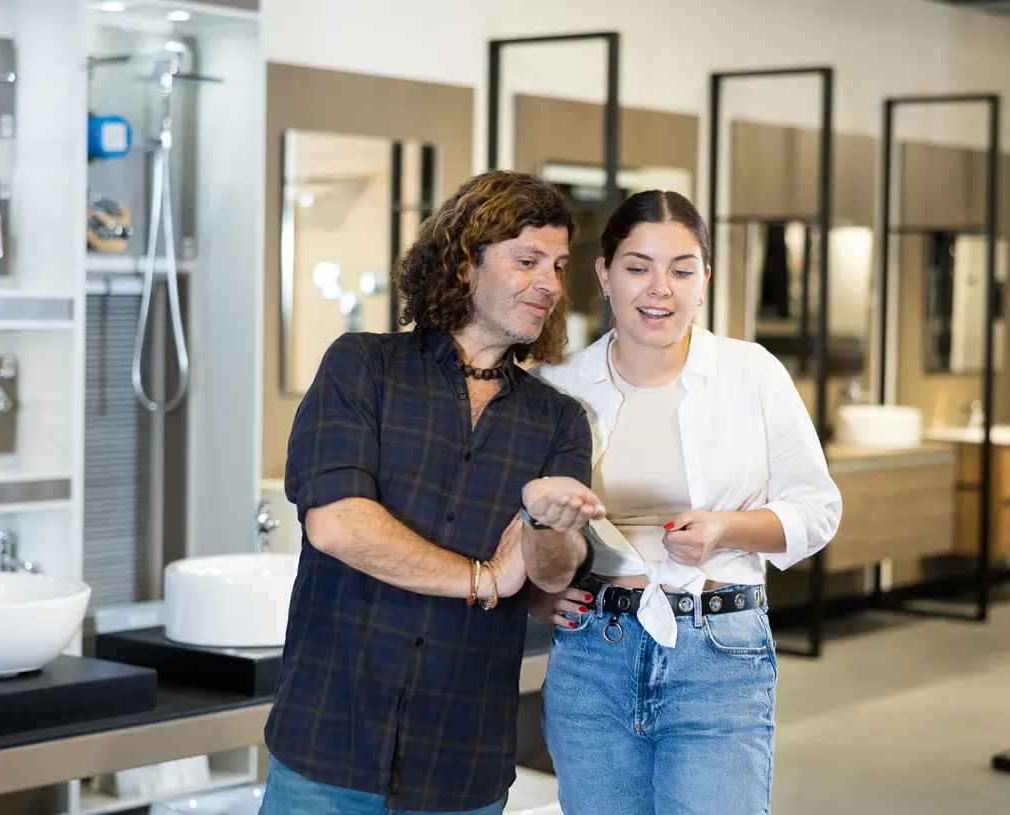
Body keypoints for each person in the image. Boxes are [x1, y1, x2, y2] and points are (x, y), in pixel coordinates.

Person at [259, 169, 606, 815]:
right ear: (465, 264)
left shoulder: (558, 419)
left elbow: (552, 576)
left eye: (558, 266)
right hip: (329, 740)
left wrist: (544, 526)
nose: (551, 284)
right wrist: (483, 579)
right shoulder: (362, 365)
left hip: (462, 756)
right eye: (527, 260)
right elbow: (337, 525)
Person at [531, 189, 842, 815]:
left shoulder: (750, 373)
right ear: (604, 274)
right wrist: (539, 596)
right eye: (638, 266)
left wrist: (724, 529)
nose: (659, 289)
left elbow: (818, 509)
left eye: (681, 268)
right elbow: (529, 517)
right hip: (593, 655)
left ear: (705, 278)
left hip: (719, 652)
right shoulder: (559, 384)